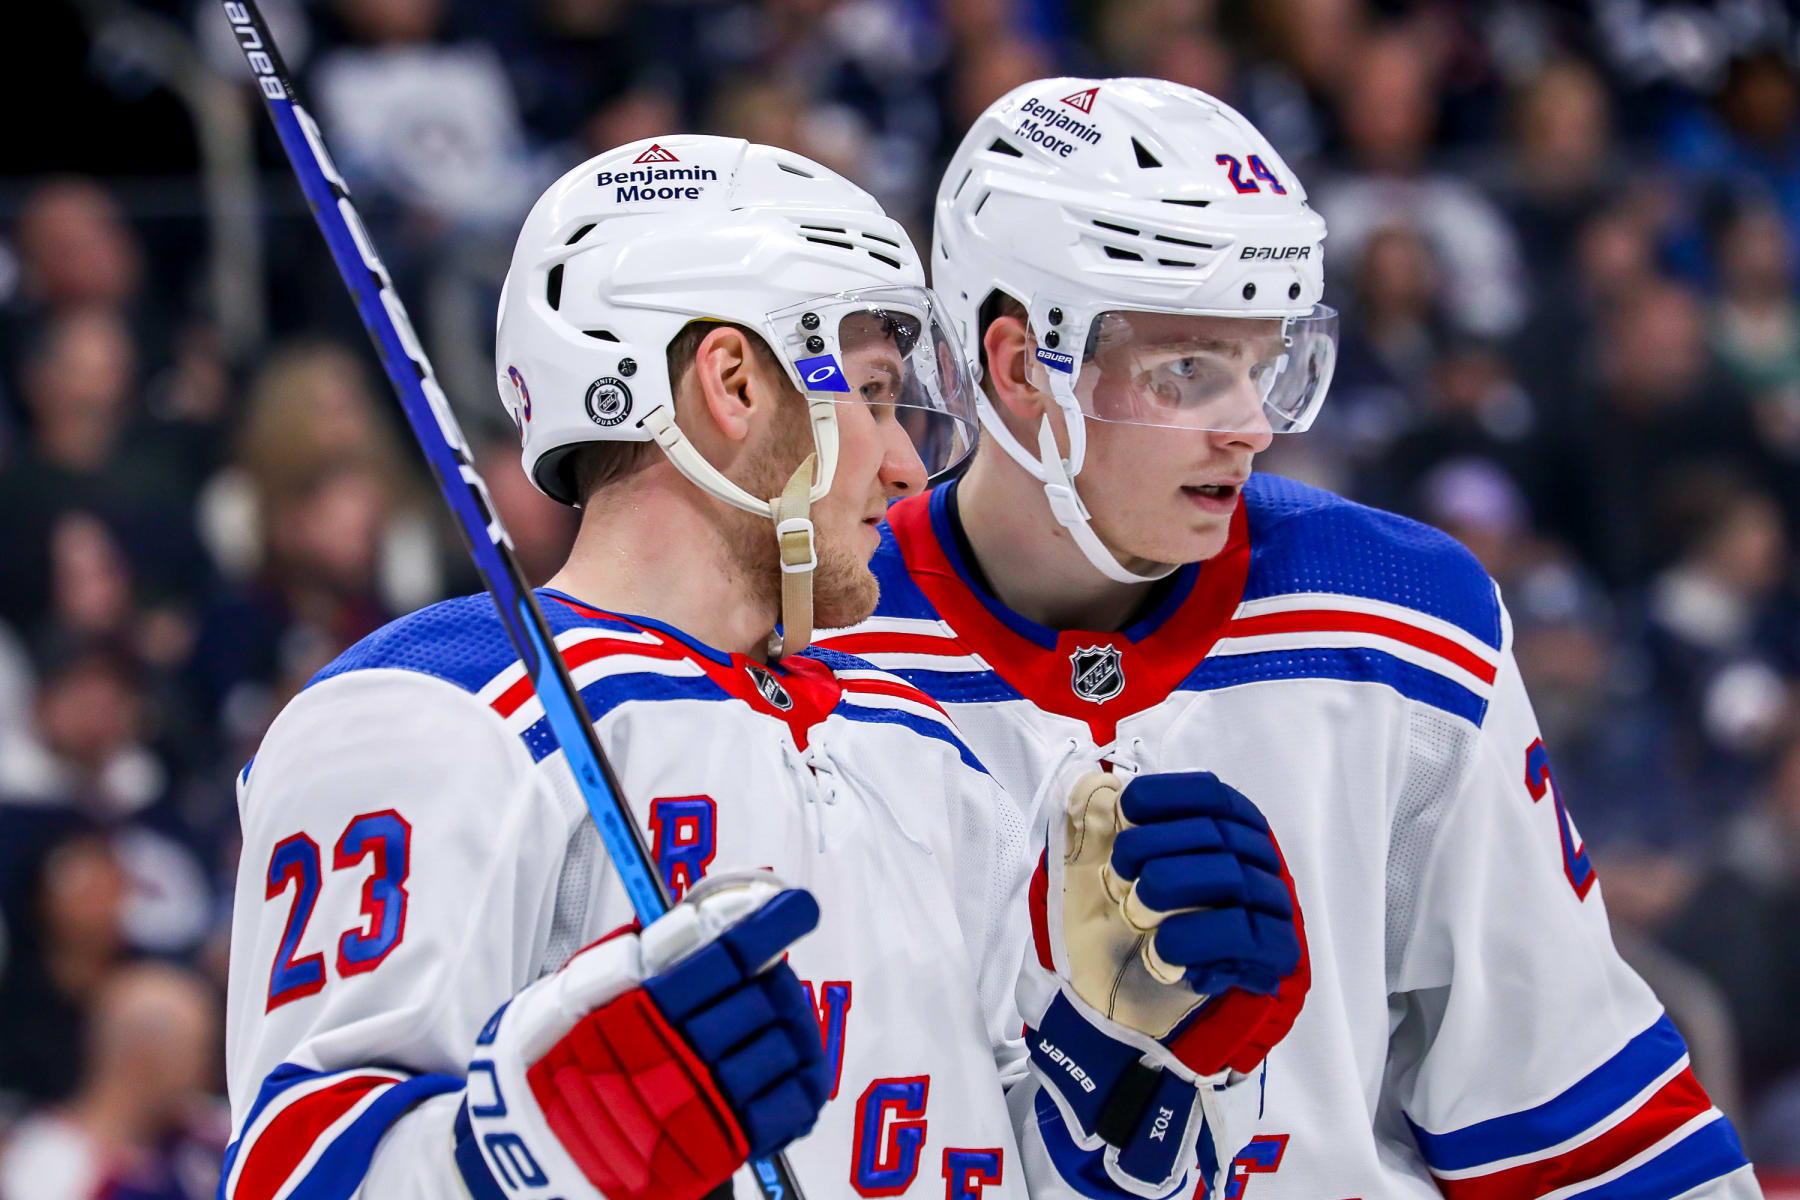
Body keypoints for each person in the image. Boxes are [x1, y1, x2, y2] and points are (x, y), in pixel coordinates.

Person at [218, 136, 1308, 1200]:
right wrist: (535, 1146)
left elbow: (1036, 1164)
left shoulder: (928, 750)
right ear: (732, 383)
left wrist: (1129, 1069)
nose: (900, 461)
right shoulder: (440, 714)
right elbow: (290, 1175)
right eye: (875, 394)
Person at [820, 78, 1763, 1198]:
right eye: (1189, 370)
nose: (1252, 424)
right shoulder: (819, 639)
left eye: (1263, 364)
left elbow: (1568, 1108)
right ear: (1021, 366)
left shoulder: (1396, 616)